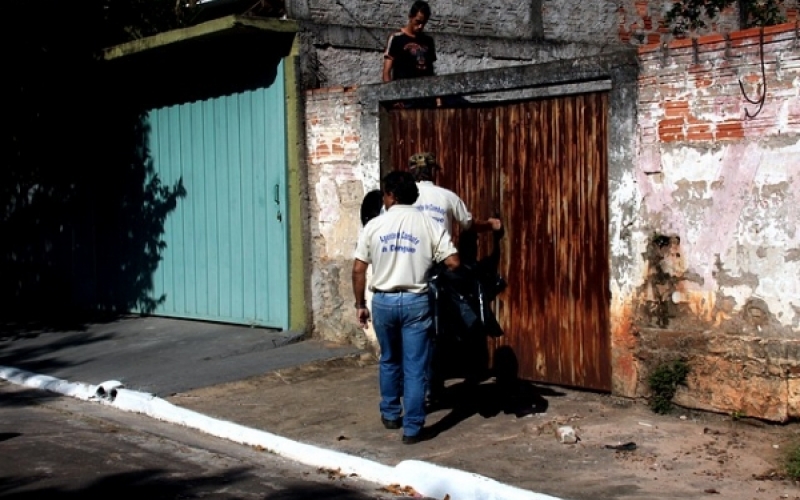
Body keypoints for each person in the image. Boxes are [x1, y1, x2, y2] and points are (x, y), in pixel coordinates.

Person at [352, 171, 460, 444]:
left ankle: (390, 413)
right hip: (416, 301)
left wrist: (360, 305)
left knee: (389, 359)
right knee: (414, 367)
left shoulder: (374, 225)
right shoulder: (428, 224)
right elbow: (454, 262)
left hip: (384, 301)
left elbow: (358, 269)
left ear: (390, 195)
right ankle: (412, 428)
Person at [408, 152, 501, 236]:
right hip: (441, 254)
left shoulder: (401, 199)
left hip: (408, 253)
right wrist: (490, 224)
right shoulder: (448, 196)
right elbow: (468, 223)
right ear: (432, 171)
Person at [383, 1, 436, 83]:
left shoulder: (428, 41)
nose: (420, 26)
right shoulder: (396, 38)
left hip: (424, 92)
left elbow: (431, 72)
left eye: (424, 23)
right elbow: (386, 73)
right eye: (418, 22)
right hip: (402, 91)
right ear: (410, 17)